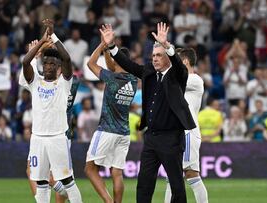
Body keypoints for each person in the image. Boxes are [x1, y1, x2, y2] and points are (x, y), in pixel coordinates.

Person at [100, 22, 196, 203]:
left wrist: (167, 46)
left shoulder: (177, 75)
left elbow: (179, 66)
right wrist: (112, 46)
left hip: (171, 138)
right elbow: (128, 64)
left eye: (159, 55)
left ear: (167, 57)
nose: (155, 59)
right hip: (151, 137)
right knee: (144, 184)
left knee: (176, 185)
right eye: (153, 55)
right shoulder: (149, 73)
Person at [20, 20, 82, 202]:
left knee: (68, 181)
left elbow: (68, 59)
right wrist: (41, 41)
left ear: (58, 67)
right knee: (41, 182)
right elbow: (25, 62)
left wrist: (53, 36)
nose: (48, 66)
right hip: (37, 137)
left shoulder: (64, 83)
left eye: (52, 64)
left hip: (57, 137)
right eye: (46, 63)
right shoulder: (35, 82)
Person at [84, 39, 137, 203]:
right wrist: (108, 51)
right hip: (124, 133)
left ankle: (108, 201)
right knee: (117, 172)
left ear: (116, 61)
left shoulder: (112, 78)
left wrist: (101, 45)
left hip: (107, 130)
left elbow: (90, 63)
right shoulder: (133, 80)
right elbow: (112, 65)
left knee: (90, 169)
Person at [164, 48, 208, 203]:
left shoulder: (195, 80)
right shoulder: (178, 80)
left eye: (176, 61)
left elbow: (171, 81)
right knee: (171, 175)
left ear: (185, 62)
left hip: (189, 133)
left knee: (191, 174)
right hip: (175, 133)